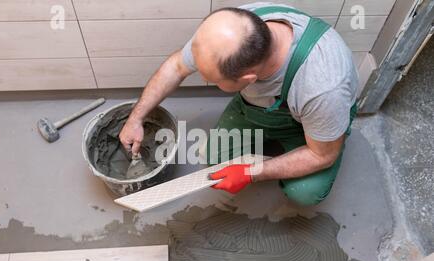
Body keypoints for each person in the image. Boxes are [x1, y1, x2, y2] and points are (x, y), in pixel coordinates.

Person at [119, 3, 359, 206]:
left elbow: (321, 155)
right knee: (216, 159)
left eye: (212, 80)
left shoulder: (322, 87)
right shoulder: (233, 28)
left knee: (305, 193)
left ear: (248, 79)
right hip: (260, 106)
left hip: (316, 124)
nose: (204, 80)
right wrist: (136, 118)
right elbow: (177, 66)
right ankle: (276, 145)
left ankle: (313, 139)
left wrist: (252, 173)